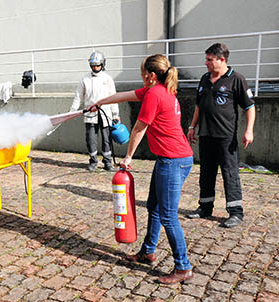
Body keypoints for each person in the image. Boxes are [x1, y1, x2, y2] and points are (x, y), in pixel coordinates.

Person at [89, 54, 194, 284]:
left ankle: (183, 267)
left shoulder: (155, 94)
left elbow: (139, 128)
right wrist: (100, 102)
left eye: (142, 73)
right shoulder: (157, 90)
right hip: (172, 158)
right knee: (154, 207)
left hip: (173, 159)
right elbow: (122, 95)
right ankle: (148, 252)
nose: (141, 76)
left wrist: (127, 157)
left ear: (151, 75)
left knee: (168, 216)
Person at [186, 43, 255, 228]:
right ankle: (205, 208)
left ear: (221, 59)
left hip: (226, 137)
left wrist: (249, 130)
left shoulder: (236, 79)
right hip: (206, 135)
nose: (206, 63)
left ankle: (235, 212)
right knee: (206, 173)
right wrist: (192, 127)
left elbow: (249, 107)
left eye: (209, 59)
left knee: (229, 173)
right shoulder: (204, 79)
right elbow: (199, 106)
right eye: (206, 59)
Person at [70, 51, 120, 171]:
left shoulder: (107, 79)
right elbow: (78, 96)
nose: (95, 67)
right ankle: (93, 161)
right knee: (91, 139)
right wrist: (72, 111)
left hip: (105, 114)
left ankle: (107, 161)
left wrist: (115, 114)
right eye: (93, 65)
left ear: (102, 64)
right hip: (90, 113)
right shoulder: (85, 79)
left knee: (106, 139)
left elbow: (113, 97)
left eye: (97, 65)